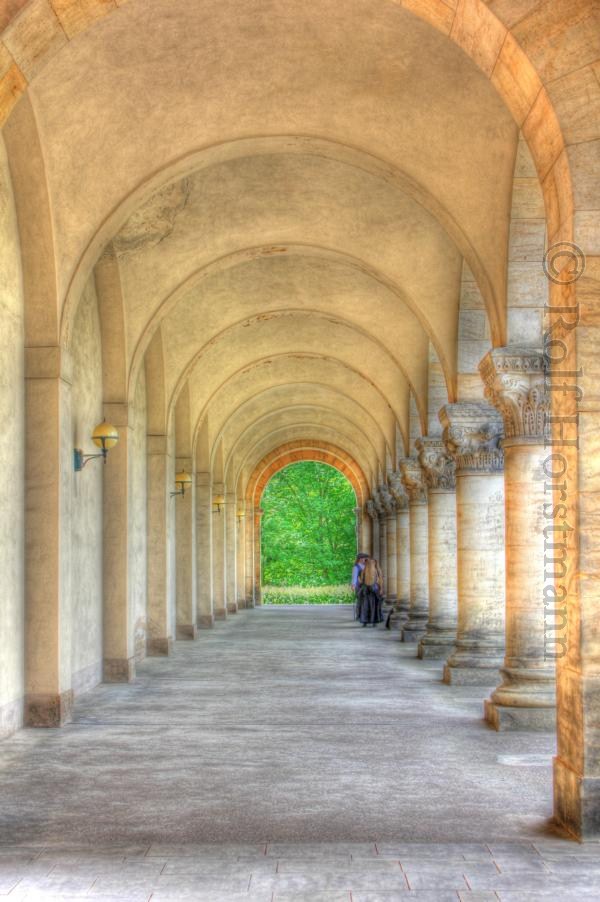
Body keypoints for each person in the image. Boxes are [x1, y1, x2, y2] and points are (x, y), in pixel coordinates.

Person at [357, 557, 384, 627]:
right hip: (366, 591)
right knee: (365, 606)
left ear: (374, 563)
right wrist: (359, 580)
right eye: (368, 562)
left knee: (373, 607)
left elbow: (380, 581)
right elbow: (361, 581)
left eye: (371, 562)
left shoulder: (377, 571)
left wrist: (381, 589)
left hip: (373, 591)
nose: (370, 564)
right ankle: (365, 621)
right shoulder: (364, 570)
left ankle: (373, 621)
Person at [351, 553, 369, 620]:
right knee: (360, 600)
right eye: (364, 558)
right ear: (360, 559)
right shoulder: (356, 567)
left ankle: (365, 615)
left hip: (366, 585)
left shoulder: (366, 566)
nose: (365, 560)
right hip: (359, 586)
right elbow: (354, 577)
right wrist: (353, 585)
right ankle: (359, 615)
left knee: (365, 600)